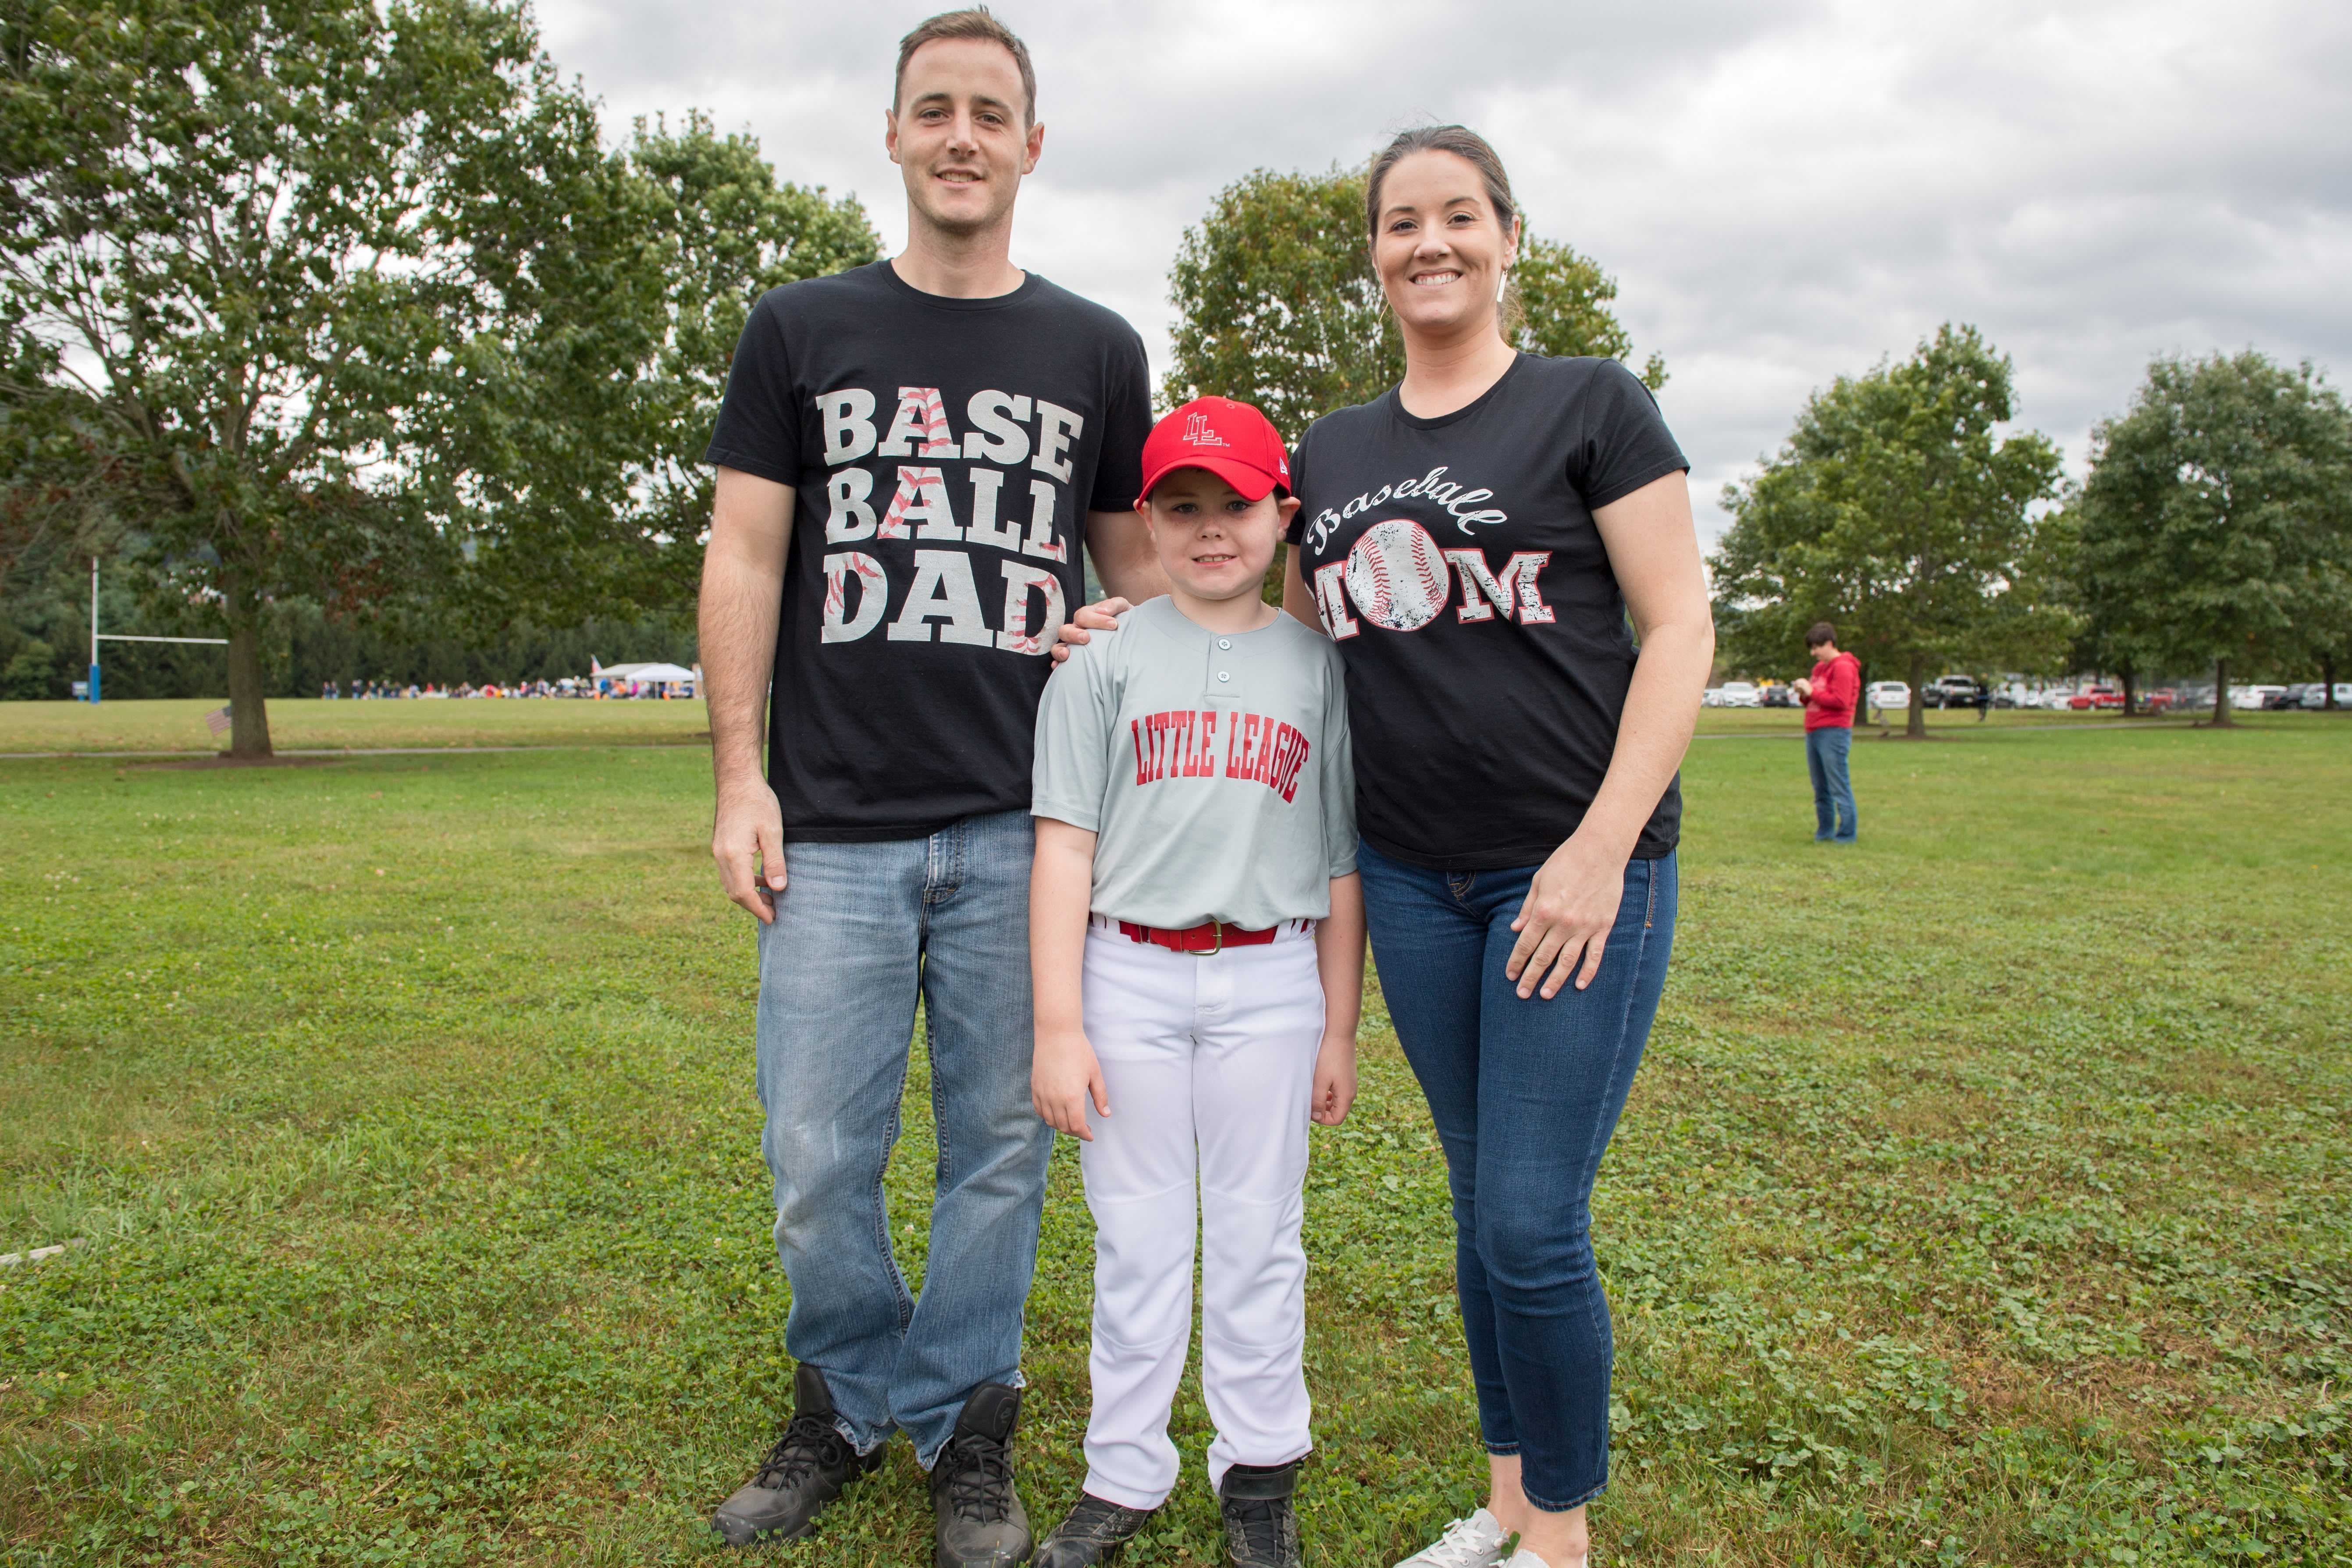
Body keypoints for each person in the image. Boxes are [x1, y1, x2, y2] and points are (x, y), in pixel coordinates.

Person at [694, 9, 1164, 1561]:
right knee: (816, 1146)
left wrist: (1136, 618)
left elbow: (1142, 567)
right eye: (933, 109)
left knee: (1001, 1146)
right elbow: (746, 553)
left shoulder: (1094, 347)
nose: (961, 135)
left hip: (1019, 823)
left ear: (1033, 144)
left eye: (991, 112)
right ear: (893, 135)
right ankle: (839, 1396)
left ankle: (965, 1413)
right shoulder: (799, 327)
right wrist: (738, 778)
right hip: (828, 824)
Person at [1278, 127, 1713, 1568]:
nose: (1429, 242)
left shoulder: (1591, 406)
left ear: (1508, 237)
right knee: (1477, 1211)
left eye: (1457, 215)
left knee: (1530, 1218)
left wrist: (1598, 848)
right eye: (1400, 221)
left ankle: (1563, 1541)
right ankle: (1510, 1502)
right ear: (1374, 254)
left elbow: (1679, 628)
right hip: (1408, 876)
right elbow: (1284, 646)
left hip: (1567, 868)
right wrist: (1134, 630)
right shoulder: (1330, 451)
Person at [1027, 398, 1364, 1568]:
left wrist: (1340, 1028)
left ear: (1283, 514)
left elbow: (1337, 860)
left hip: (1270, 977)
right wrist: (1058, 1024)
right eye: (1181, 506)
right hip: (1126, 972)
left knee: (1260, 1232)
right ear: (1148, 521)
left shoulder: (1320, 668)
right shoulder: (1101, 658)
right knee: (1135, 1236)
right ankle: (1121, 1470)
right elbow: (1064, 847)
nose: (1210, 528)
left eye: (1235, 504)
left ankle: (1258, 1462)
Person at [1790, 622, 1858, 843]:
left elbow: (1841, 701)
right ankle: (1825, 833)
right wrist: (1804, 693)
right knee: (1820, 787)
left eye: (1817, 648)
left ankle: (1846, 835)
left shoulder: (1844, 667)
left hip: (1834, 732)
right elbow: (1813, 698)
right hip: (1815, 731)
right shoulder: (1819, 669)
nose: (1814, 653)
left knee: (1838, 785)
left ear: (1829, 644)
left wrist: (1812, 691)